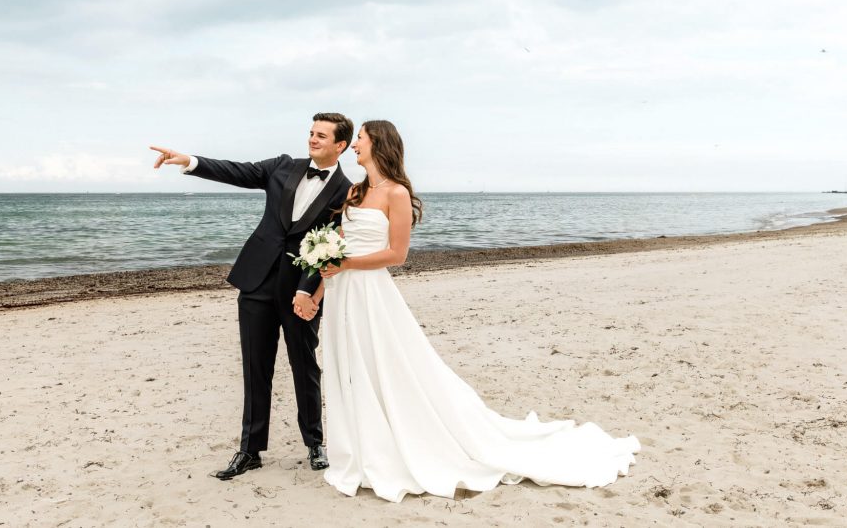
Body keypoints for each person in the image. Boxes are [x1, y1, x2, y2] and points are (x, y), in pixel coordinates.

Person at [307, 120, 640, 502]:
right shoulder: (354, 191)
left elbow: (397, 254)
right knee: (349, 367)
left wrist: (348, 265)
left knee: (383, 363)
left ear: (377, 143)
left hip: (370, 292)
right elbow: (339, 247)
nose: (355, 147)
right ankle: (360, 448)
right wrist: (318, 290)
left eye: (360, 140)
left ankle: (394, 444)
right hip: (342, 292)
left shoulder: (396, 193)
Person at [150, 112, 353, 479]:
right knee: (255, 367)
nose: (312, 139)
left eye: (321, 135)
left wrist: (308, 291)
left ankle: (315, 442)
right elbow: (237, 171)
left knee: (304, 365)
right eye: (310, 132)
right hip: (256, 282)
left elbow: (333, 246)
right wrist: (190, 161)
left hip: (299, 292)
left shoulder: (347, 190)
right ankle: (250, 450)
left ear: (340, 145)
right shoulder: (282, 167)